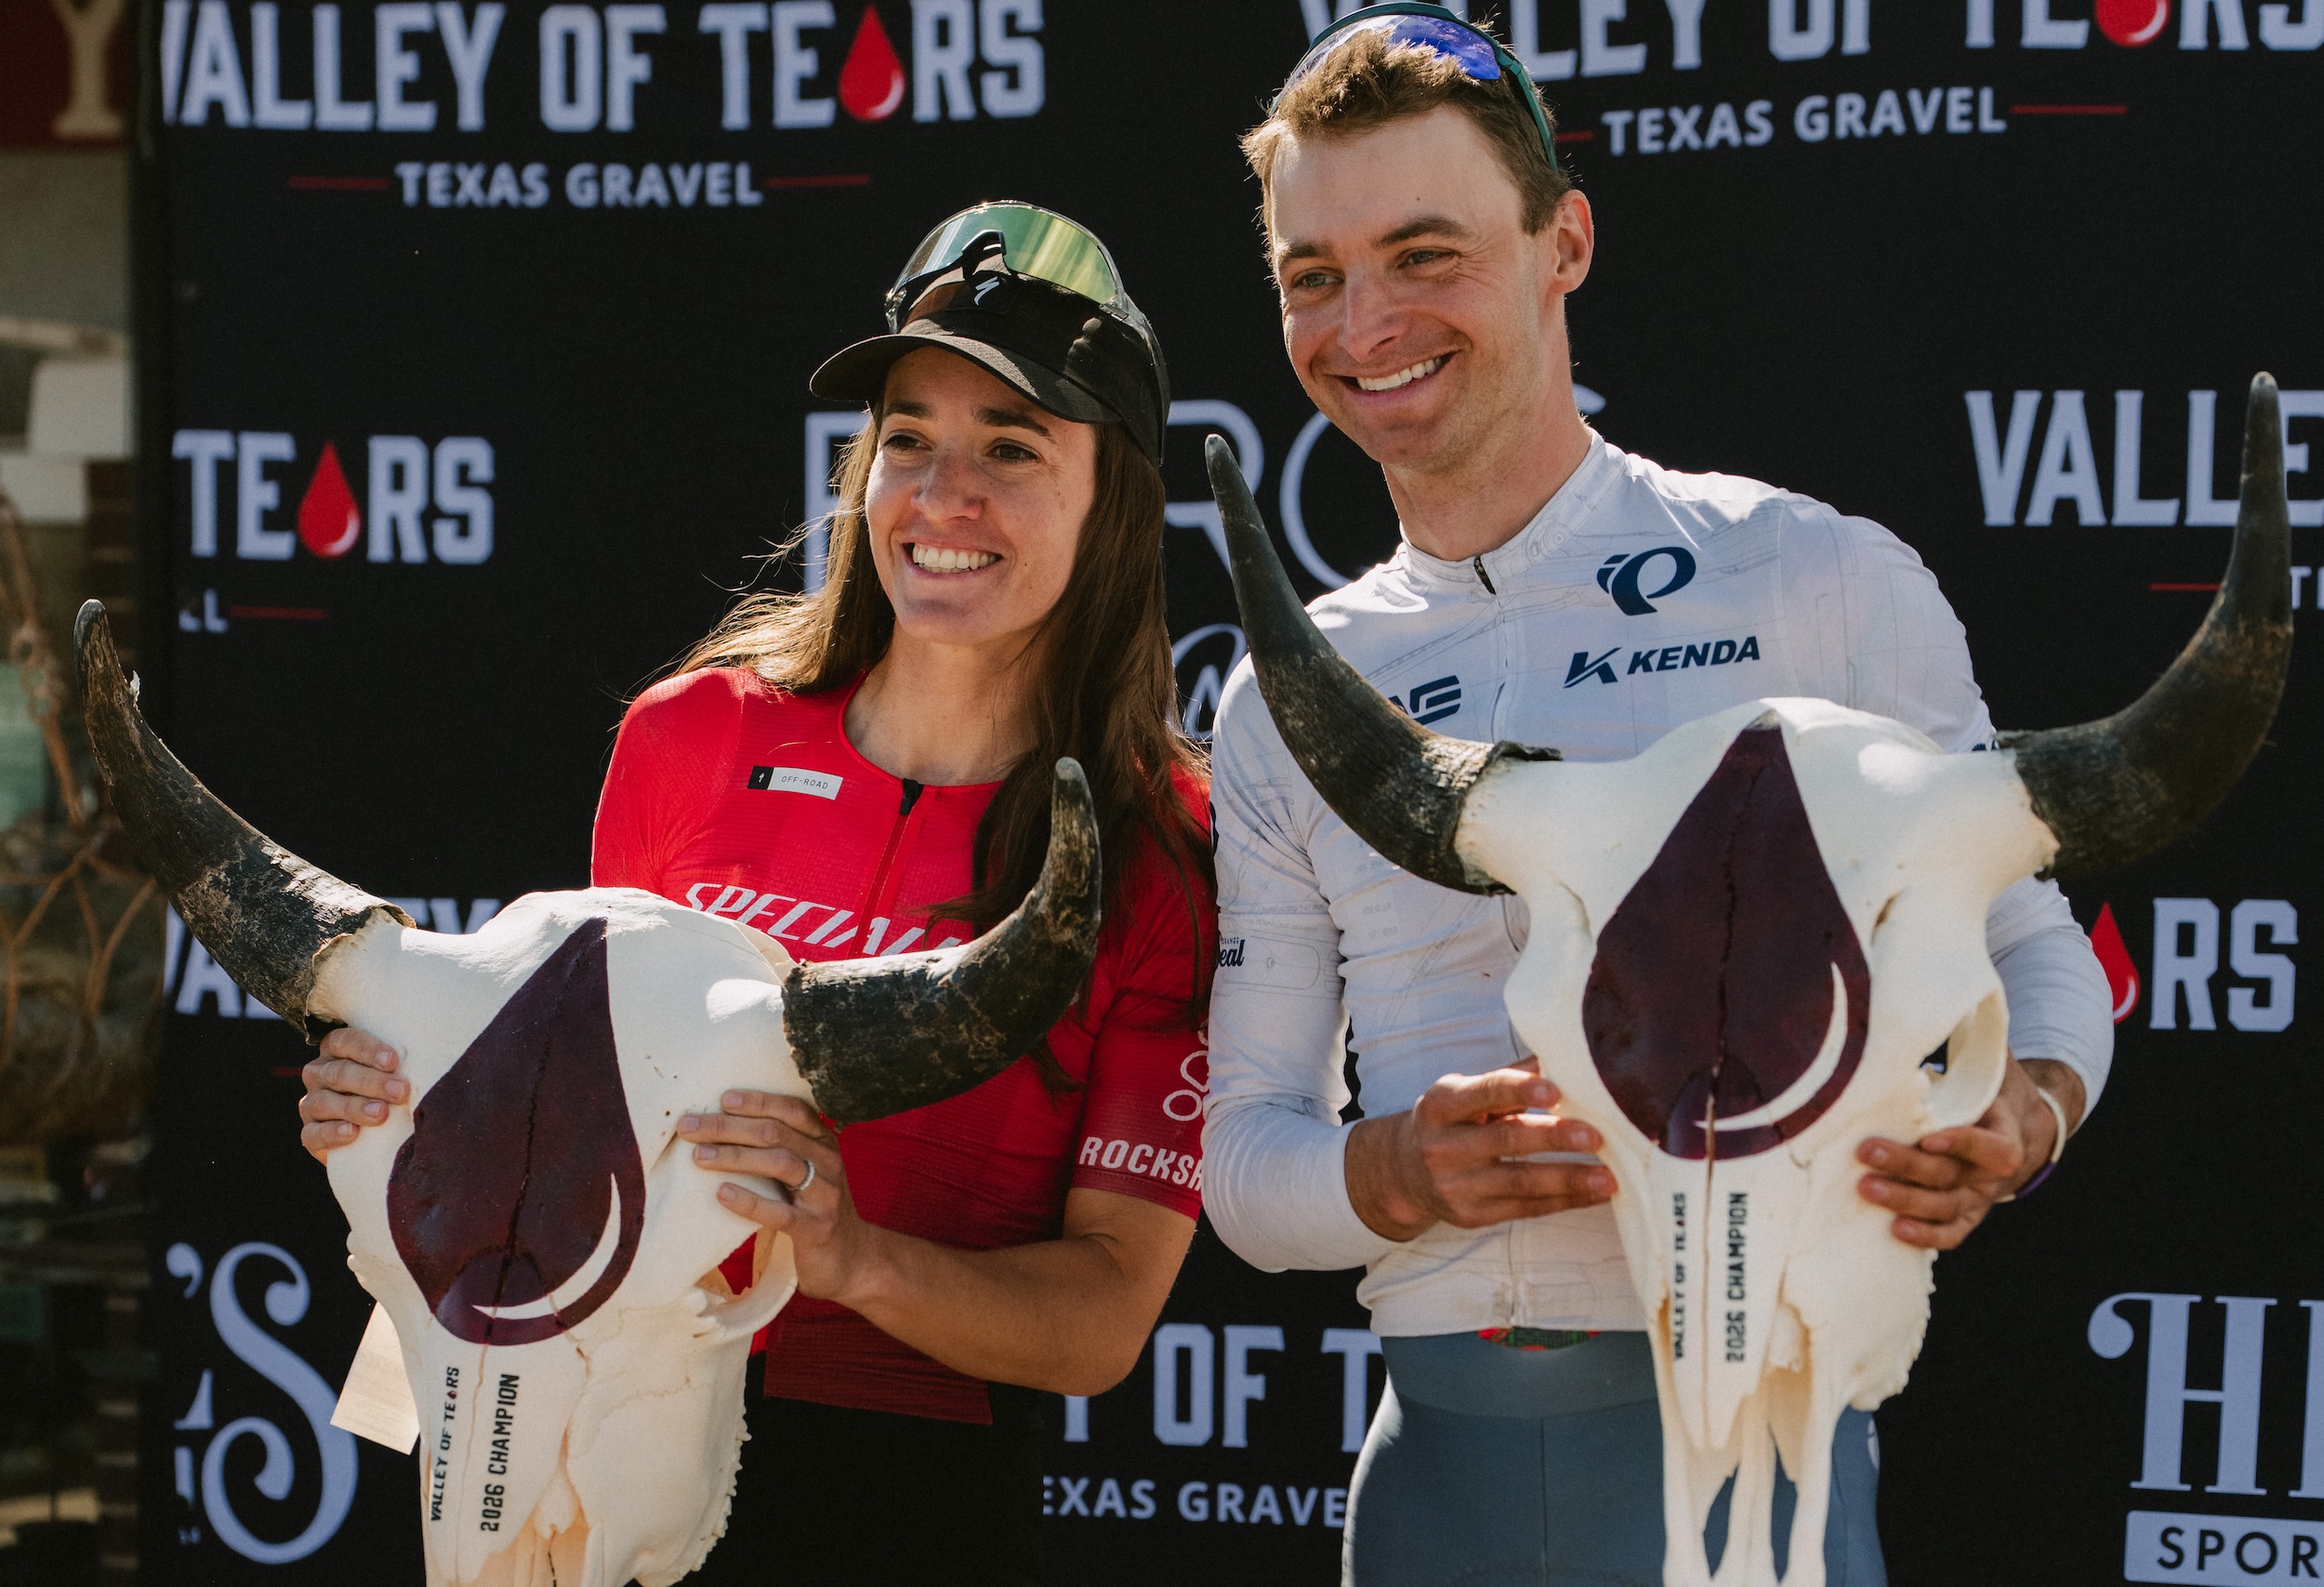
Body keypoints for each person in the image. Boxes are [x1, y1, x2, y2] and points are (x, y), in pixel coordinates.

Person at [1199, 8, 2111, 1584]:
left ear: (1566, 242)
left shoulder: (1818, 578)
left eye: (1427, 254)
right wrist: (1395, 1170)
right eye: (1314, 274)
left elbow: (2035, 956)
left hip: (1764, 1479)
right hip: (1435, 1495)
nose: (1366, 321)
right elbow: (1246, 1162)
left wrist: (2017, 1115)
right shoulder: (1284, 695)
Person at [295, 204, 1215, 1586]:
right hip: (582, 1444)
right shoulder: (693, 736)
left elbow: (1101, 1323)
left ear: (1113, 499)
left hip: (906, 1490)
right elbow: (570, 1124)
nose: (942, 496)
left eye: (1012, 449)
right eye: (908, 438)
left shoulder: (1165, 844)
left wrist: (854, 1261)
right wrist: (403, 1124)